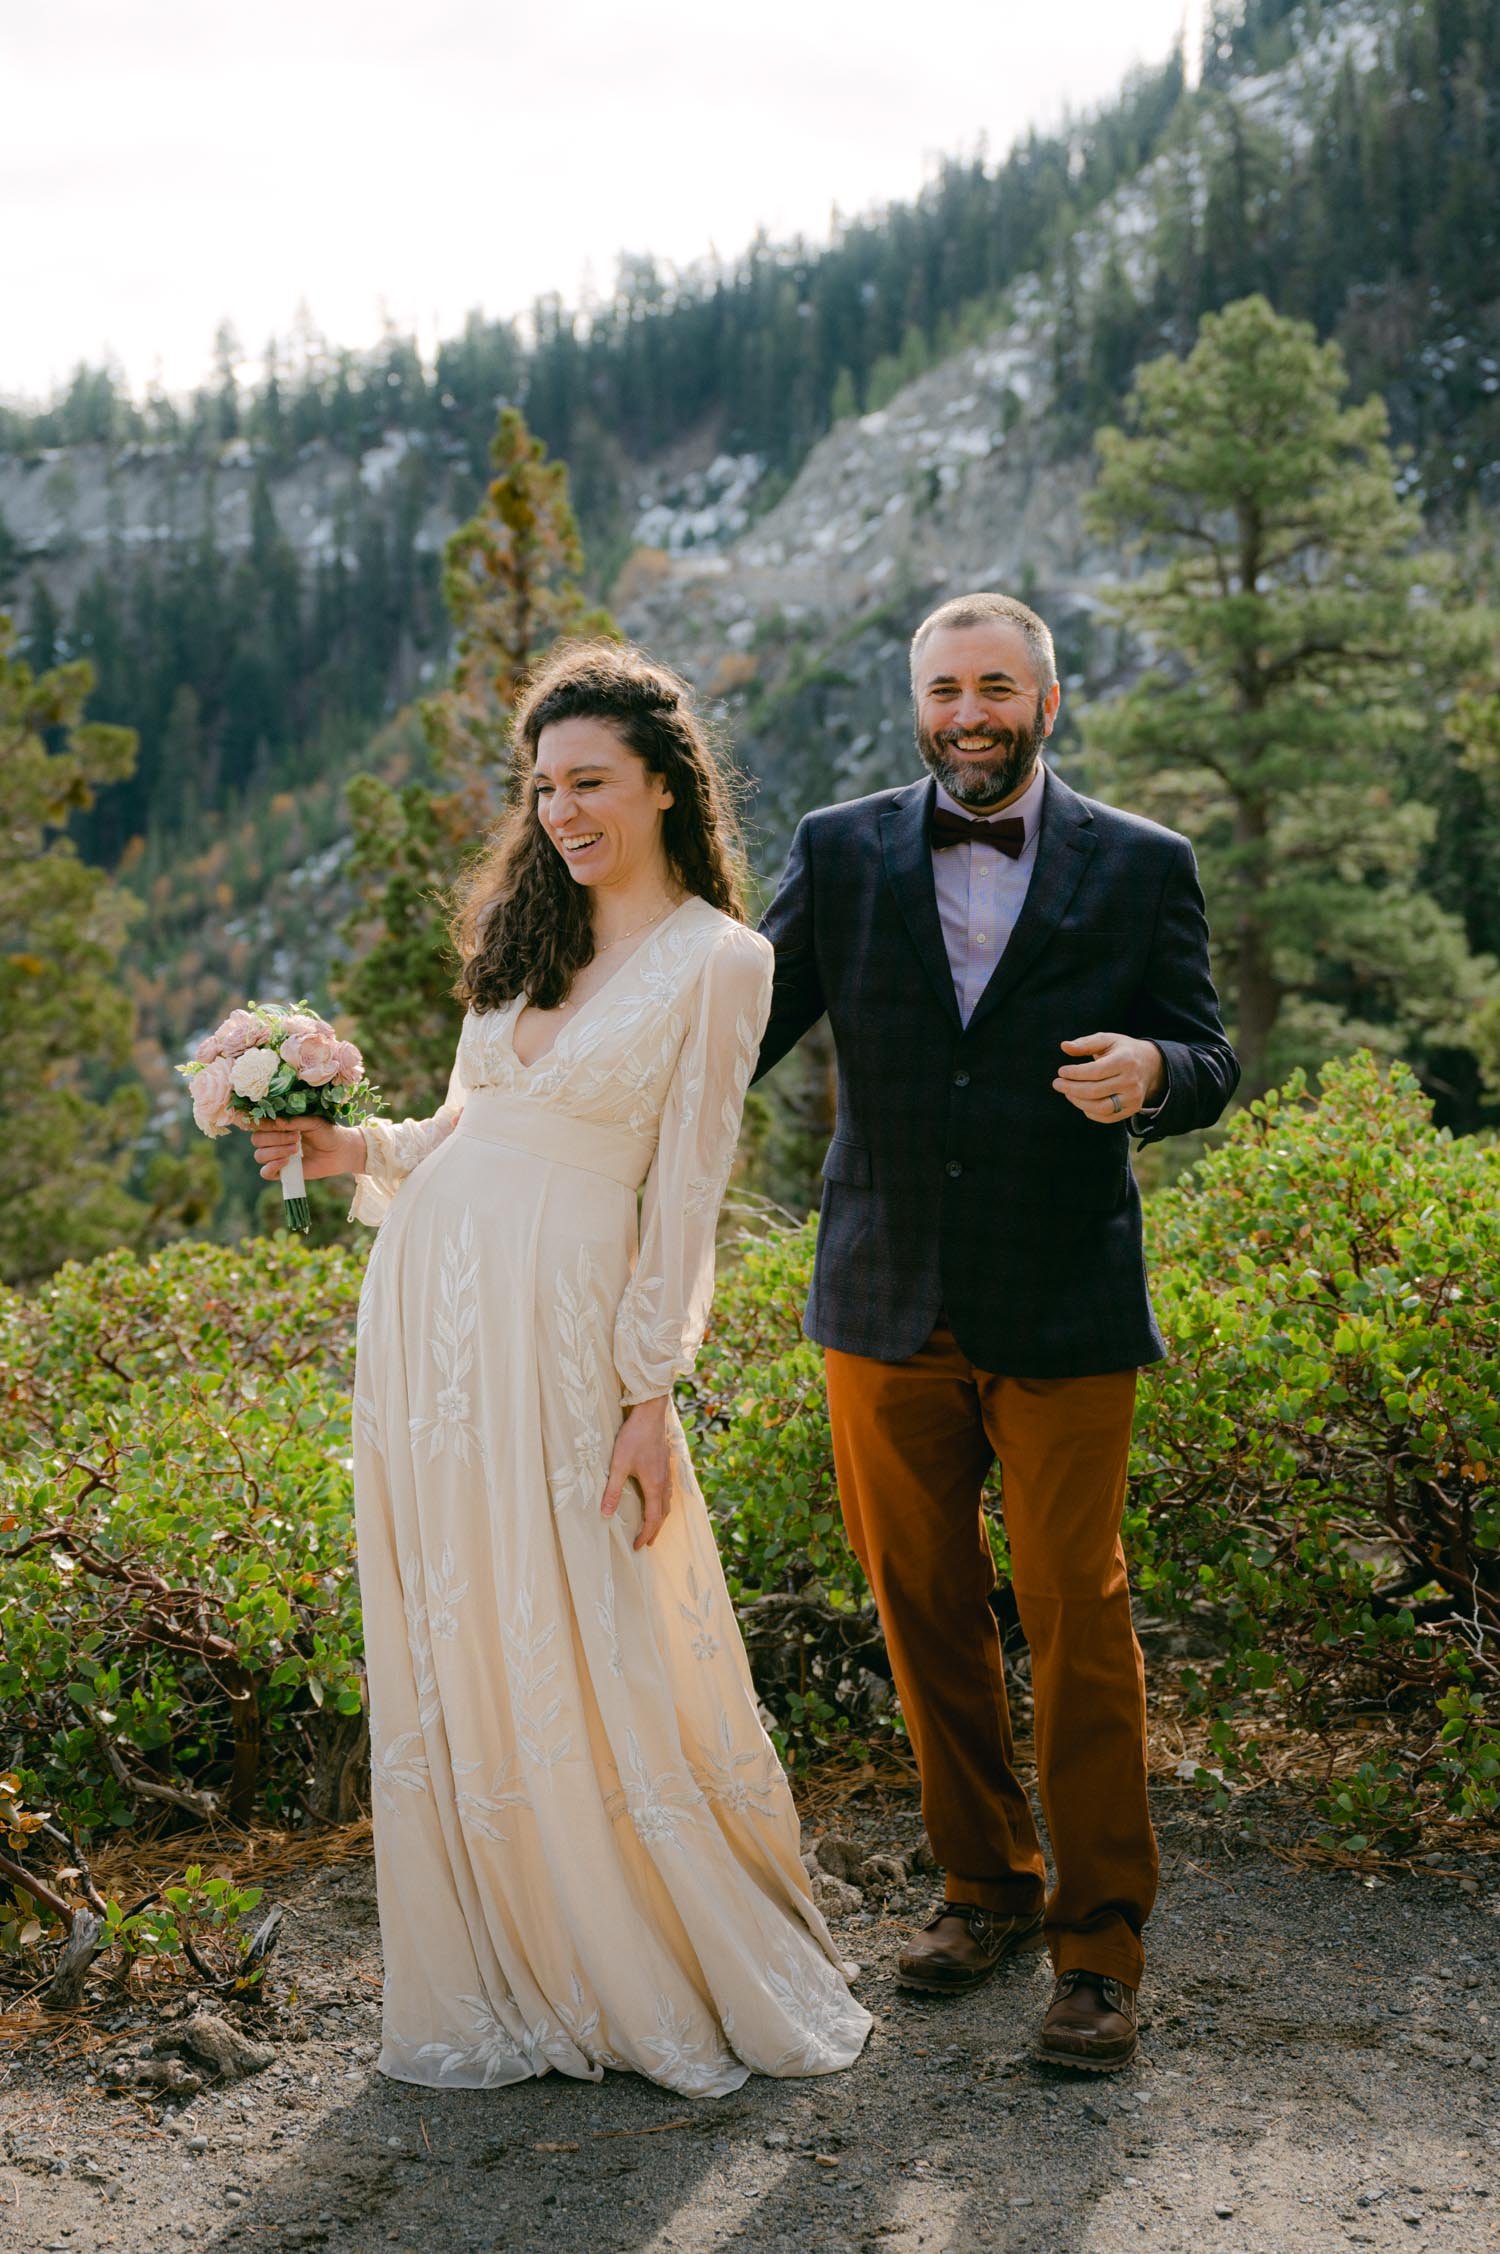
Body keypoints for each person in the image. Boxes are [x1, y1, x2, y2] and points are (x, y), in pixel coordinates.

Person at [252, 641, 870, 2097]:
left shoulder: (725, 959)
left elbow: (688, 1191)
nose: (565, 812)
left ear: (663, 783)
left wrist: (651, 1390)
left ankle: (625, 1948)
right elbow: (466, 1131)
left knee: (585, 1614)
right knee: (464, 1620)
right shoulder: (529, 942)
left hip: (568, 1340)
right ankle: (500, 1941)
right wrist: (351, 1147)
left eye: (590, 782)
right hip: (431, 1333)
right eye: (543, 789)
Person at [754, 591, 1239, 2073]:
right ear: (917, 703)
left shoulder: (1146, 862)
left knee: (1077, 1614)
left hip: (1066, 1301)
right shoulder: (840, 851)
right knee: (924, 1609)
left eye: (996, 686)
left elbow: (1212, 1054)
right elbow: (732, 1023)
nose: (969, 711)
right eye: (945, 688)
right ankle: (982, 1888)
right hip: (882, 1299)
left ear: (1046, 697)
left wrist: (1157, 1065)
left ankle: (1099, 1949)